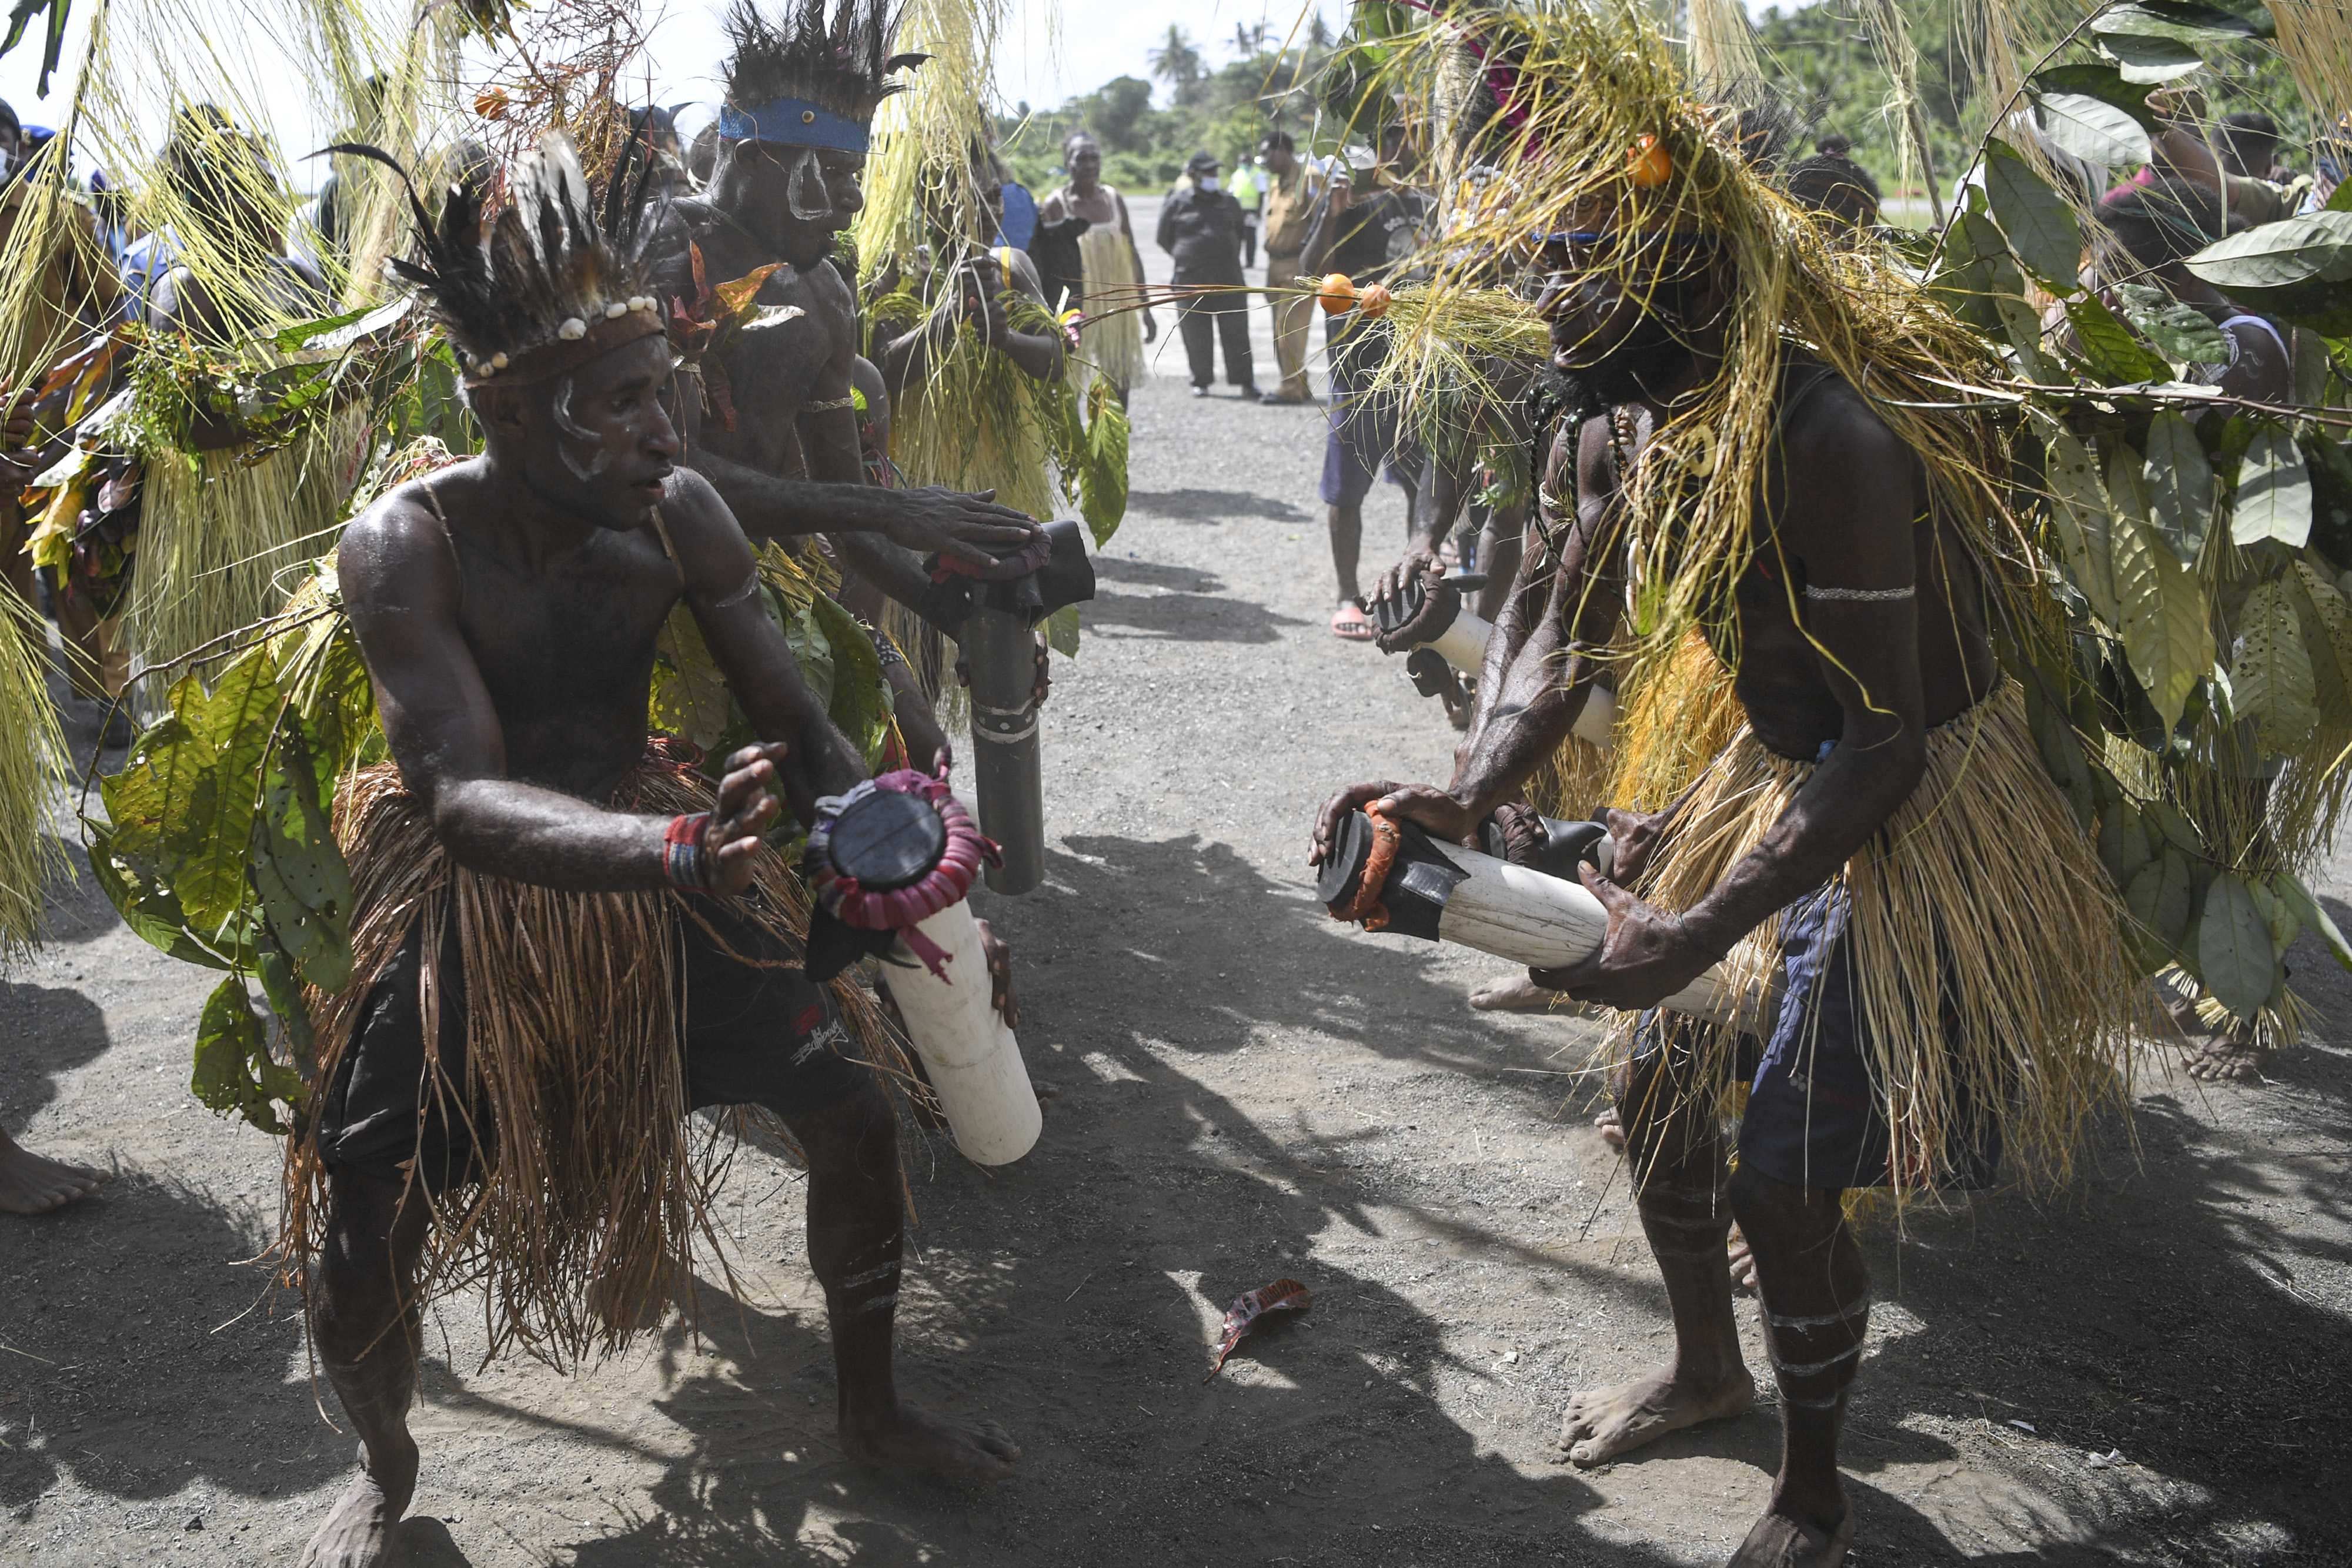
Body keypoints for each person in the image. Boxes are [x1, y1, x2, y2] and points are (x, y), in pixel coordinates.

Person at [1314, 35, 2140, 1561]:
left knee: (1781, 1170)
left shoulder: (1832, 437)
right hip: (1780, 775)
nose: (1548, 304)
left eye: (1575, 268)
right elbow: (1560, 636)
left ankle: (1814, 1494)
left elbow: (1885, 745)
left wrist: (1686, 928)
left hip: (1909, 801)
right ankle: (1705, 1369)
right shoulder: (1631, 417)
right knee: (1658, 1104)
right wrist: (1462, 789)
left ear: (1681, 272)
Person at [290, 130, 1019, 1568]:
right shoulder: (406, 547)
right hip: (481, 909)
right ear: (511, 408)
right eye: (623, 405)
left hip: (669, 871)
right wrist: (677, 851)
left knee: (855, 1120)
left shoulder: (673, 512)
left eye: (668, 394)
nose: (669, 435)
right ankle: (382, 1469)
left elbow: (797, 721)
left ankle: (871, 1410)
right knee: (365, 1207)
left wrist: (872, 843)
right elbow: (456, 798)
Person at [643, 0, 1051, 638]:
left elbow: (846, 517)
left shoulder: (822, 293)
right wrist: (886, 509)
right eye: (832, 173)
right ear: (752, 157)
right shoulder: (657, 262)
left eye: (855, 175)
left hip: (762, 583)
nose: (856, 198)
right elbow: (666, 478)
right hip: (638, 590)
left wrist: (954, 611)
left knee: (908, 733)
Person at [1301, 126, 1430, 638]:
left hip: (1421, 374)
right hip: (1358, 376)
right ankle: (1346, 594)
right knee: (1346, 494)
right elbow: (1312, 275)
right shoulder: (1346, 200)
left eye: (1408, 136)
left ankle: (1415, 587)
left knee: (1423, 488)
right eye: (1392, 137)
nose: (1402, 146)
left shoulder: (1430, 200)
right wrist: (1331, 215)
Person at [1036, 130, 1155, 403]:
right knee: (1070, 379)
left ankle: (1111, 441)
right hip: (1075, 306)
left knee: (1118, 377)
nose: (1090, 165)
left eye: (1095, 158)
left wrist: (1145, 308)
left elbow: (1132, 253)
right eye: (1082, 158)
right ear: (1068, 163)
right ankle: (1073, 444)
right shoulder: (1056, 204)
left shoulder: (1113, 200)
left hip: (1115, 306)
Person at [1158, 149, 1257, 400]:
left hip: (1230, 281)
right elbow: (1163, 238)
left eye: (1215, 172)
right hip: (1190, 282)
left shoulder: (1229, 201)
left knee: (1237, 334)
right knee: (1196, 336)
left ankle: (1245, 381)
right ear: (1193, 175)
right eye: (1208, 173)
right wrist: (1189, 256)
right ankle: (1201, 381)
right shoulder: (1177, 203)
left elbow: (1240, 234)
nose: (1214, 177)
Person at [1257, 131, 1320, 404]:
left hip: (1299, 266)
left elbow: (1322, 223)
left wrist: (1315, 267)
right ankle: (1299, 383)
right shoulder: (1277, 184)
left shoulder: (1309, 179)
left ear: (1281, 149)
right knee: (1279, 331)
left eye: (1267, 154)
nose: (1265, 161)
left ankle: (1291, 389)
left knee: (1289, 332)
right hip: (1274, 267)